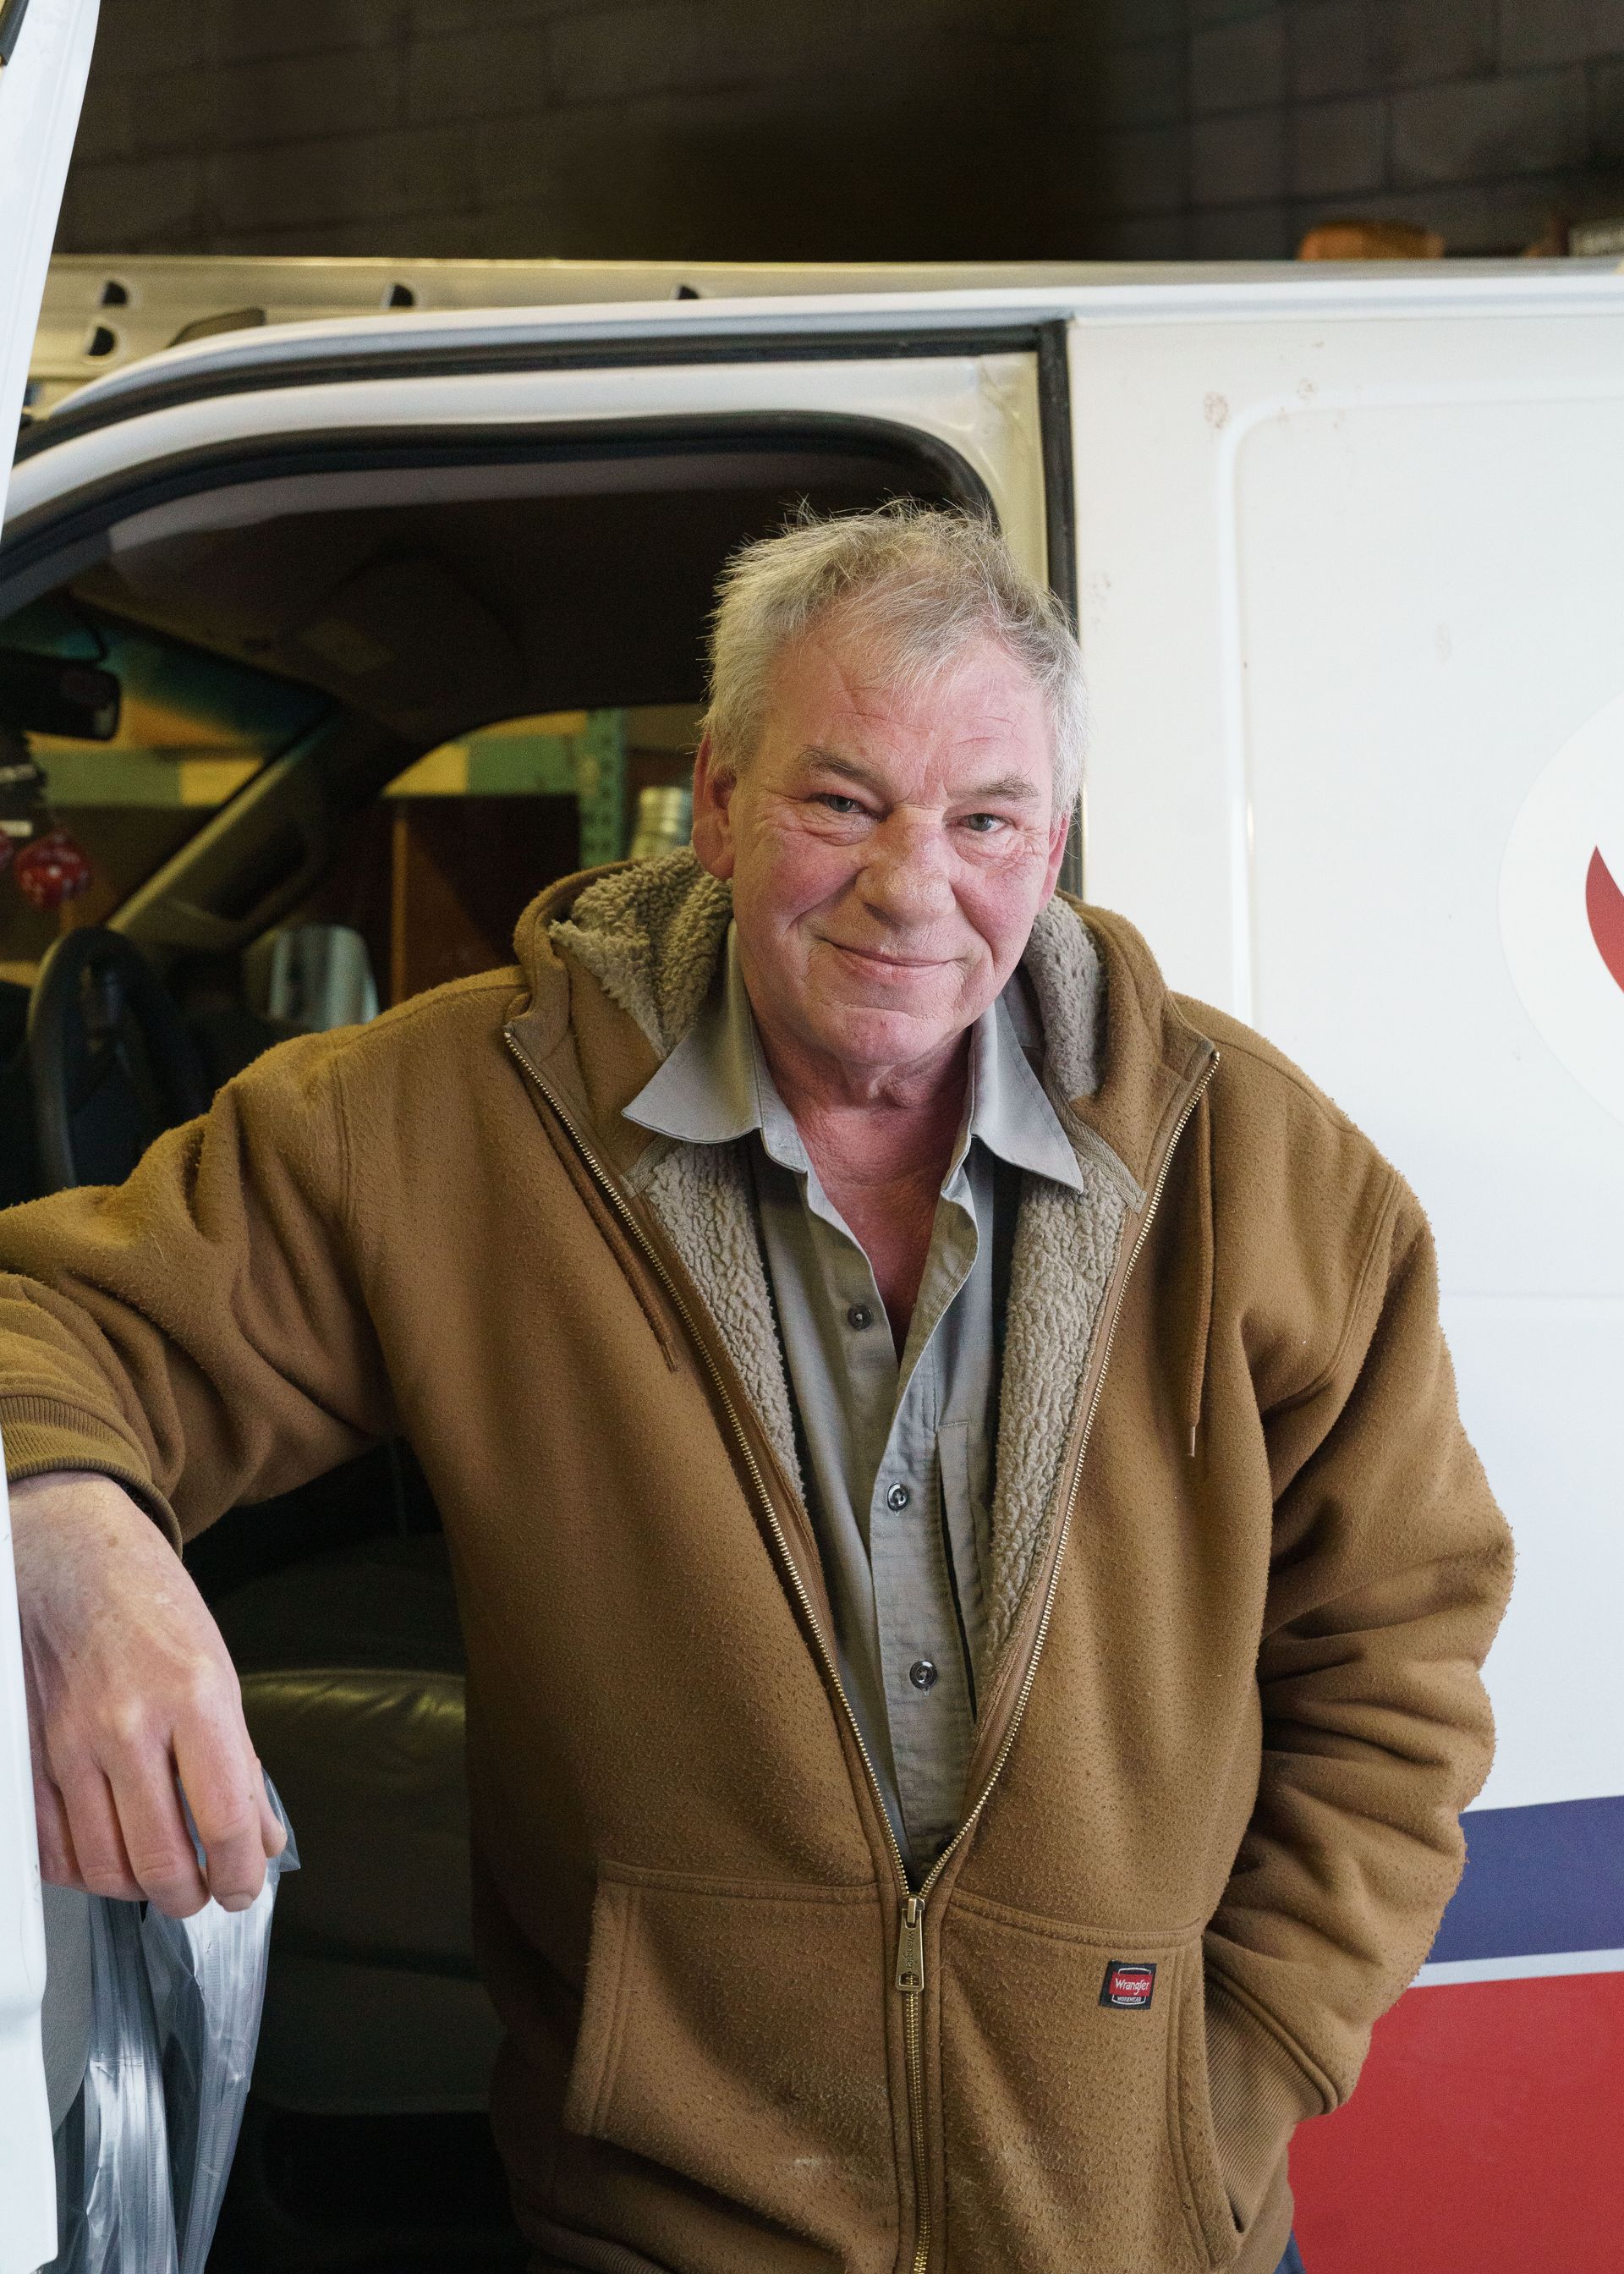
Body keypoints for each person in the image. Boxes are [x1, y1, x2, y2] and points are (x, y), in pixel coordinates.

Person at [1, 508, 1511, 2274]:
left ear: (1055, 846)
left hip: (1155, 2231)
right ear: (714, 802)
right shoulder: (452, 1116)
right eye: (842, 801)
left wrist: (1223, 2074)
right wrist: (75, 1539)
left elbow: (1399, 1673)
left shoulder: (1263, 1173)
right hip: (667, 2232)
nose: (912, 886)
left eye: (986, 822)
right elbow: (51, 1317)